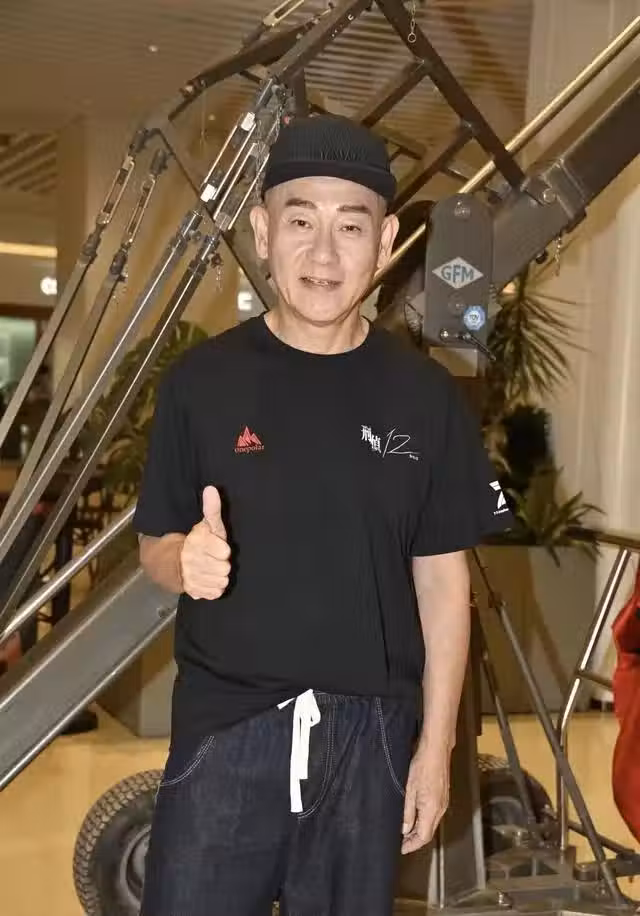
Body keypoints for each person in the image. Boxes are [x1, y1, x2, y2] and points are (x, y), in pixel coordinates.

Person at [134, 113, 512, 916]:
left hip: (369, 740)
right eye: (301, 221)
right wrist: (183, 561)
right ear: (263, 232)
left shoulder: (425, 398)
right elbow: (155, 544)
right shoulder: (200, 384)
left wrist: (435, 749)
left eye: (352, 225)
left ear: (386, 244)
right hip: (226, 730)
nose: (324, 254)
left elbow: (444, 585)